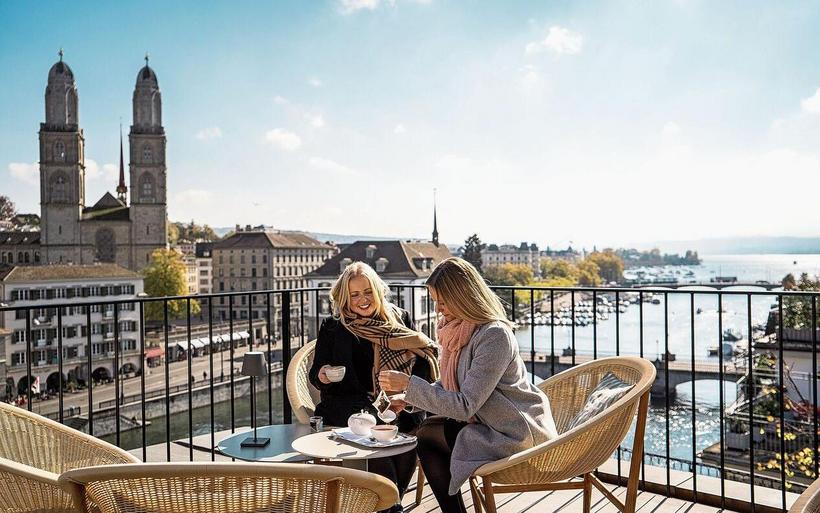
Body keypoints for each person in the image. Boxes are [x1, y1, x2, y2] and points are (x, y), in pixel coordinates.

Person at [379, 257, 559, 513]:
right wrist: (407, 398)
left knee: (428, 435)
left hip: (515, 432)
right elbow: (456, 385)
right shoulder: (459, 330)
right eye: (435, 302)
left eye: (443, 302)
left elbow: (464, 404)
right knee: (427, 433)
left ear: (463, 296)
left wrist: (410, 385)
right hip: (487, 423)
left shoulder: (494, 336)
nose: (439, 310)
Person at [309, 261, 439, 513]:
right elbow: (316, 373)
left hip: (398, 404)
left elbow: (422, 363)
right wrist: (324, 375)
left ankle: (386, 506)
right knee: (378, 437)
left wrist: (406, 396)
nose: (362, 300)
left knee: (404, 448)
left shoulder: (400, 319)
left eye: (368, 292)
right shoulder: (334, 327)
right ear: (346, 298)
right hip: (347, 406)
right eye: (355, 294)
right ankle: (390, 508)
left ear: (378, 291)